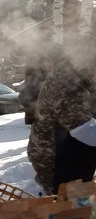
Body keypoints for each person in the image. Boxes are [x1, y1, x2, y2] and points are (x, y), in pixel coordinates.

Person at [27, 42, 96, 195]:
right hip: (56, 156)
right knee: (69, 204)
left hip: (73, 148)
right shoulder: (68, 82)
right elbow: (82, 129)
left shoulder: (83, 75)